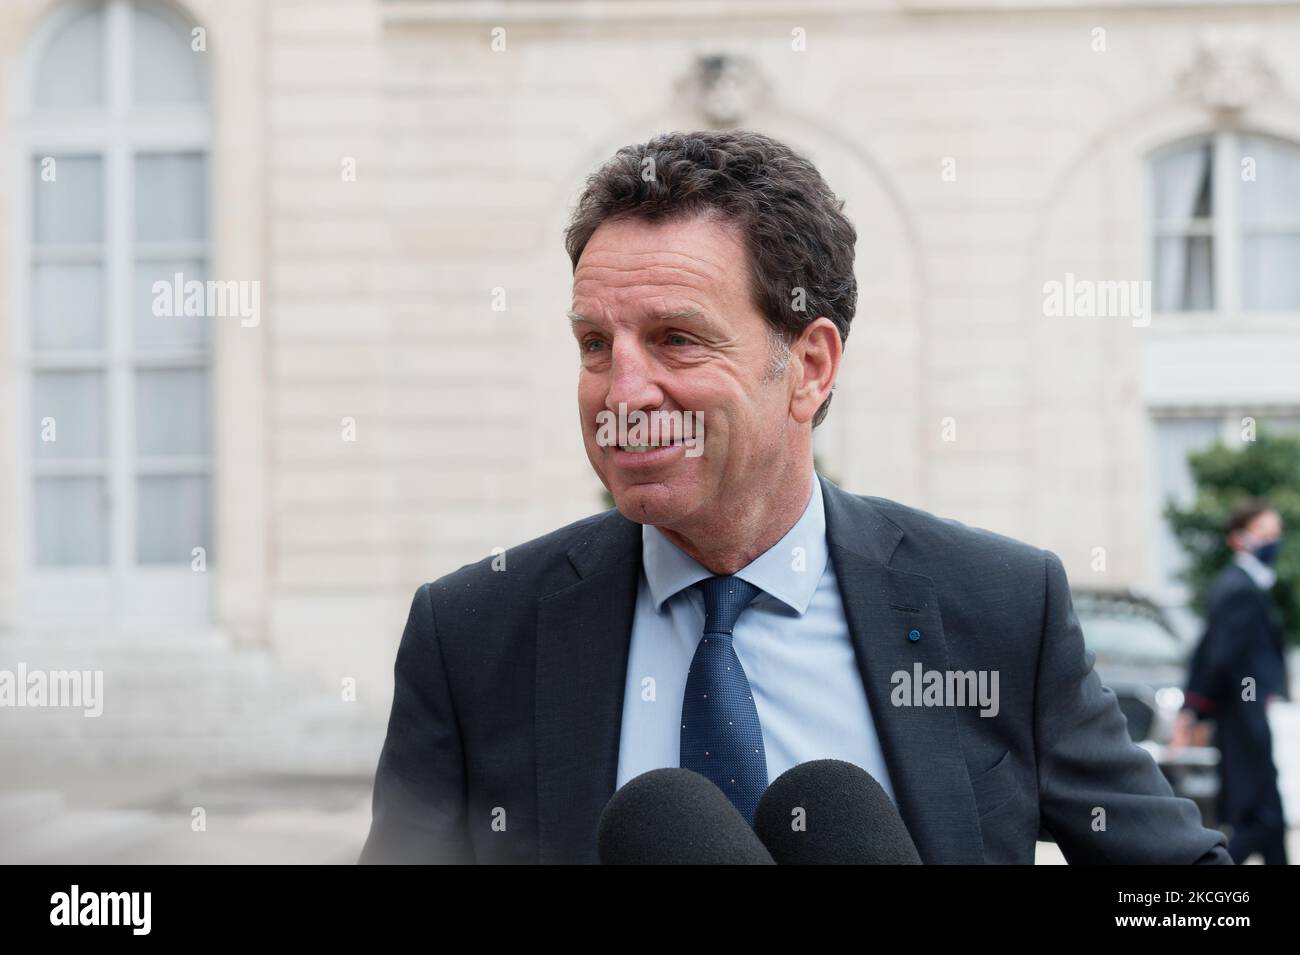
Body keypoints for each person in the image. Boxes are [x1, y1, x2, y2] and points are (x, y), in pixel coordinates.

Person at [359, 129, 1229, 864]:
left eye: (675, 340)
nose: (621, 393)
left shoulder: (998, 609)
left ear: (808, 367)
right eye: (595, 343)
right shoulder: (474, 634)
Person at [1173, 498, 1289, 864]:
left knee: (1264, 812)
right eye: (1264, 534)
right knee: (1260, 813)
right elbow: (1217, 655)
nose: (1273, 542)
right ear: (1239, 539)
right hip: (1242, 714)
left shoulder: (1247, 586)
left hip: (1247, 711)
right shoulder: (1238, 588)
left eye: (1276, 534)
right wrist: (1193, 710)